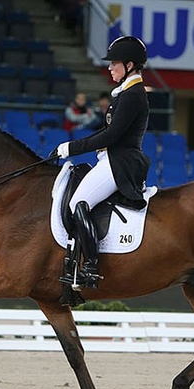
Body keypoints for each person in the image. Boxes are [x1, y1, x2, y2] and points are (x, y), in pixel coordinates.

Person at [53, 35, 151, 290]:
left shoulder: (133, 95)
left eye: (115, 63)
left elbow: (111, 135)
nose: (109, 68)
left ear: (130, 65)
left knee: (77, 203)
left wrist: (71, 147)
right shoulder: (126, 92)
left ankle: (91, 267)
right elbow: (105, 134)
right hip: (113, 158)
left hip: (121, 163)